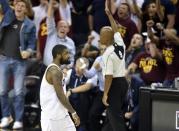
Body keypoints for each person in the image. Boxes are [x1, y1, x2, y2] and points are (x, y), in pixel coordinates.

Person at [0, 0, 36, 129]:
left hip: (19, 62)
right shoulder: (9, 15)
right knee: (2, 91)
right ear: (13, 7)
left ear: (26, 10)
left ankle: (18, 120)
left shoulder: (30, 25)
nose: (19, 7)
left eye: (22, 6)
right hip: (3, 59)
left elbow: (32, 44)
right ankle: (5, 117)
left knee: (18, 92)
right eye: (17, 5)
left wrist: (29, 51)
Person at [101, 0, 128, 131]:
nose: (100, 37)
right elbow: (116, 30)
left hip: (114, 85)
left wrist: (105, 93)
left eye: (102, 35)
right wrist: (109, 15)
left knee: (115, 118)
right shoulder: (120, 43)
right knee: (111, 118)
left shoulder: (107, 53)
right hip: (123, 83)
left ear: (106, 38)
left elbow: (108, 76)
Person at [40, 44, 80, 131]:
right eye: (66, 53)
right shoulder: (54, 71)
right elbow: (60, 95)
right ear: (58, 55)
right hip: (51, 117)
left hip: (62, 115)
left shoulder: (58, 70)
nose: (68, 56)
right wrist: (73, 112)